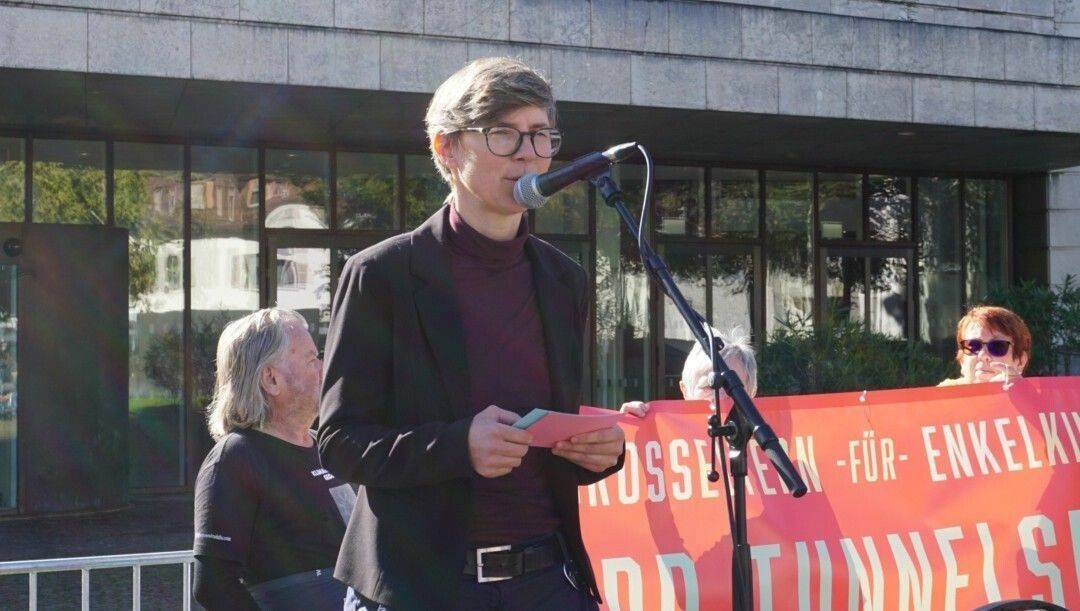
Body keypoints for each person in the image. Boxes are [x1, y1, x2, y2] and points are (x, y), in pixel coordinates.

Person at [318, 57, 626, 611]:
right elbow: (340, 443)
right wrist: (458, 446)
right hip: (423, 585)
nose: (529, 153)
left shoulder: (564, 279)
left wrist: (597, 451)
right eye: (504, 135)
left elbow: (553, 425)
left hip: (547, 579)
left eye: (541, 136)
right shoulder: (381, 275)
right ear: (448, 150)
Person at [193, 308, 354, 610]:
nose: (323, 367)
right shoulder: (235, 458)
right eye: (311, 359)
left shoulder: (326, 447)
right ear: (271, 379)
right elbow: (213, 585)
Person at [621, 327, 758, 416]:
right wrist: (630, 434)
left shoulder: (774, 447)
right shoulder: (664, 442)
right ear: (685, 390)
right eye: (709, 386)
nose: (721, 398)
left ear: (752, 392)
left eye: (732, 387)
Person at [938, 305, 1032, 386]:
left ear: (1020, 361)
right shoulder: (939, 400)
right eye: (973, 346)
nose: (983, 355)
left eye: (997, 346)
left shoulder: (1039, 403)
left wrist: (1020, 393)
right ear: (962, 360)